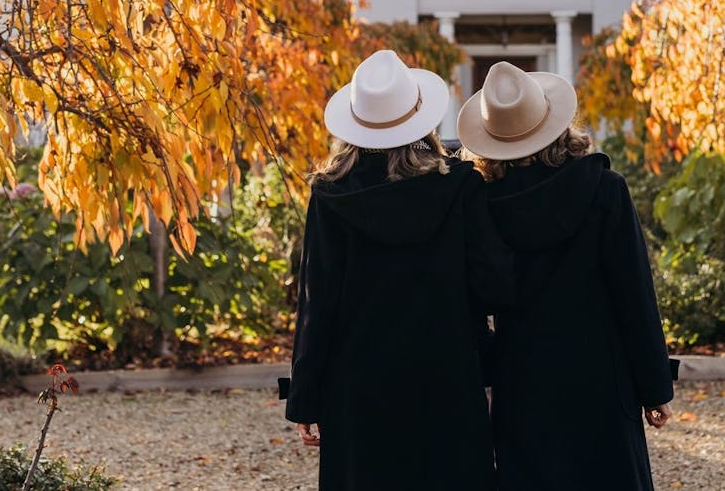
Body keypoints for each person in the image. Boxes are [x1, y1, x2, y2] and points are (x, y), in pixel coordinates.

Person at [284, 49, 510, 491]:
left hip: (358, 383)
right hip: (446, 375)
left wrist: (305, 398)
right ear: (420, 117)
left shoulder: (331, 194)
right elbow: (493, 285)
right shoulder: (461, 185)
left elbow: (318, 302)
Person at [458, 62, 675, 491]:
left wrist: (482, 373)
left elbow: (476, 298)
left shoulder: (482, 204)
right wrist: (655, 386)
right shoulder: (604, 189)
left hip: (522, 377)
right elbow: (633, 293)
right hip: (600, 374)